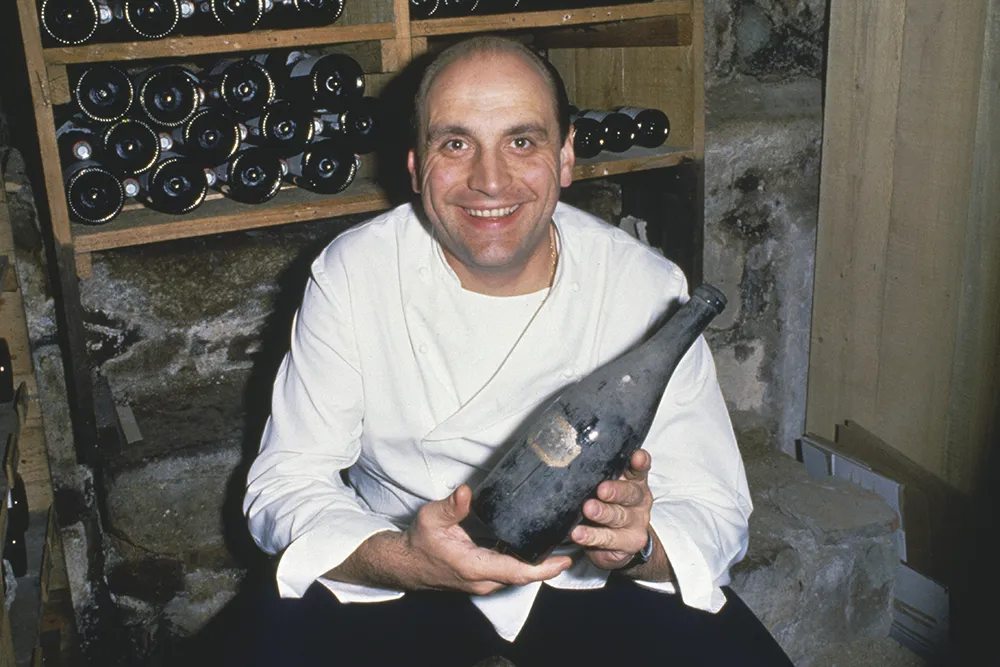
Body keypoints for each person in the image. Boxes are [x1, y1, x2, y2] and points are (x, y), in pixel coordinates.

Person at [240, 36, 794, 667]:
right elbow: (286, 482)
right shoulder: (354, 272)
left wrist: (637, 545)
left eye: (521, 141)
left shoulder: (643, 288)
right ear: (416, 165)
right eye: (456, 143)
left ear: (564, 158)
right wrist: (403, 560)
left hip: (585, 571)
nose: (490, 180)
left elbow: (714, 506)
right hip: (400, 562)